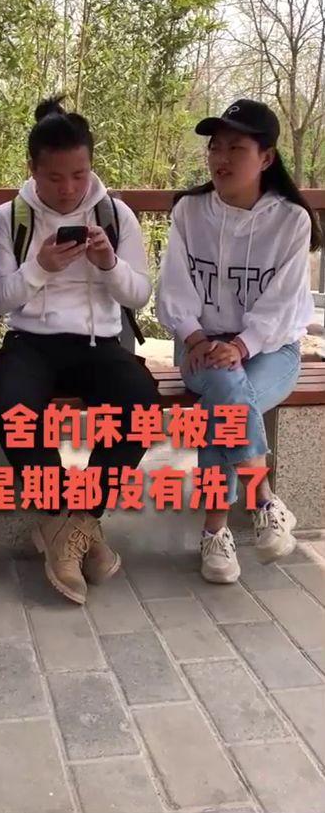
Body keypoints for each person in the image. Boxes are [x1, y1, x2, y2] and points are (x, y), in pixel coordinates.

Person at [0, 96, 157, 604]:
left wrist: (108, 264)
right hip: (30, 342)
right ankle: (69, 524)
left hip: (99, 344)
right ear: (32, 169)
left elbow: (139, 295)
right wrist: (40, 267)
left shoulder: (116, 215)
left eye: (79, 175)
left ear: (91, 166)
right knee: (9, 408)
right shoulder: (9, 218)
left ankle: (73, 522)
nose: (68, 189)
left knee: (141, 406)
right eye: (55, 177)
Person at [157, 99, 321, 583]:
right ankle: (263, 500)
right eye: (215, 147)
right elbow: (174, 287)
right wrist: (196, 338)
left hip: (272, 349)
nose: (221, 158)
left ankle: (215, 532)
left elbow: (284, 304)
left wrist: (244, 346)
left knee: (223, 399)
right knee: (226, 386)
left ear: (266, 158)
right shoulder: (190, 211)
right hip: (198, 344)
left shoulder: (291, 220)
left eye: (236, 148)